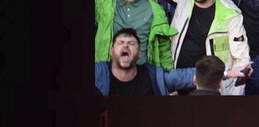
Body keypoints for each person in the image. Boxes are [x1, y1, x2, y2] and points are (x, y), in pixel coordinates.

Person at [124, 0, 250, 95]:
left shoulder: (230, 13)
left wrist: (231, 95)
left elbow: (241, 60)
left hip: (212, 89)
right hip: (179, 83)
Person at [95, 28, 245, 96]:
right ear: (111, 51)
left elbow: (186, 75)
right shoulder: (97, 73)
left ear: (139, 53)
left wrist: (225, 73)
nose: (126, 45)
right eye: (121, 42)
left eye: (131, 43)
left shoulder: (154, 75)